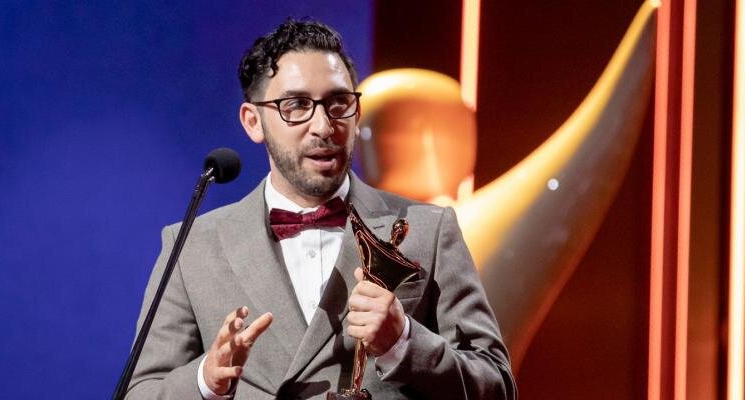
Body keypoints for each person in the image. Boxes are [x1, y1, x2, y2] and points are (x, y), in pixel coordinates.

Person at [125, 19, 516, 400]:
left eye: (338, 103)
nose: (324, 127)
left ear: (356, 112)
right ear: (253, 121)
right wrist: (206, 381)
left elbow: (497, 386)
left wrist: (404, 343)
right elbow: (141, 392)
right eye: (296, 105)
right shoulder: (192, 245)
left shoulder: (428, 229)